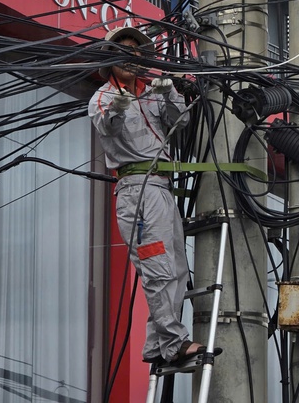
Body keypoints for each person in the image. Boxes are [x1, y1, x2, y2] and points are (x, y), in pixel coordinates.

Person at [88, 26, 203, 365]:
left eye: (138, 54)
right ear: (111, 60)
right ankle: (173, 343)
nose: (133, 59)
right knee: (158, 267)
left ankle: (157, 344)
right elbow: (107, 125)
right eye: (125, 53)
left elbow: (178, 122)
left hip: (162, 189)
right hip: (136, 191)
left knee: (178, 269)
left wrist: (169, 94)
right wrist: (119, 107)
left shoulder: (152, 92)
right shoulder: (102, 97)